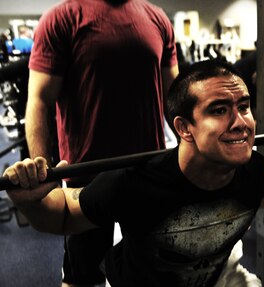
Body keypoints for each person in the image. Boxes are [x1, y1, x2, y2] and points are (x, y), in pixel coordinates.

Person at [5, 59, 264, 286]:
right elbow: (62, 216)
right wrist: (31, 202)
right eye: (218, 110)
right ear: (184, 128)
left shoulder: (249, 169)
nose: (241, 122)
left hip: (217, 278)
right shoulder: (136, 183)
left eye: (243, 106)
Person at [24, 0, 179, 286]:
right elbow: (39, 101)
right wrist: (42, 172)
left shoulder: (157, 18)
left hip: (149, 173)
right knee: (81, 277)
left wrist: (195, 156)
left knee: (151, 272)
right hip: (87, 177)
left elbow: (177, 101)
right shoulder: (62, 18)